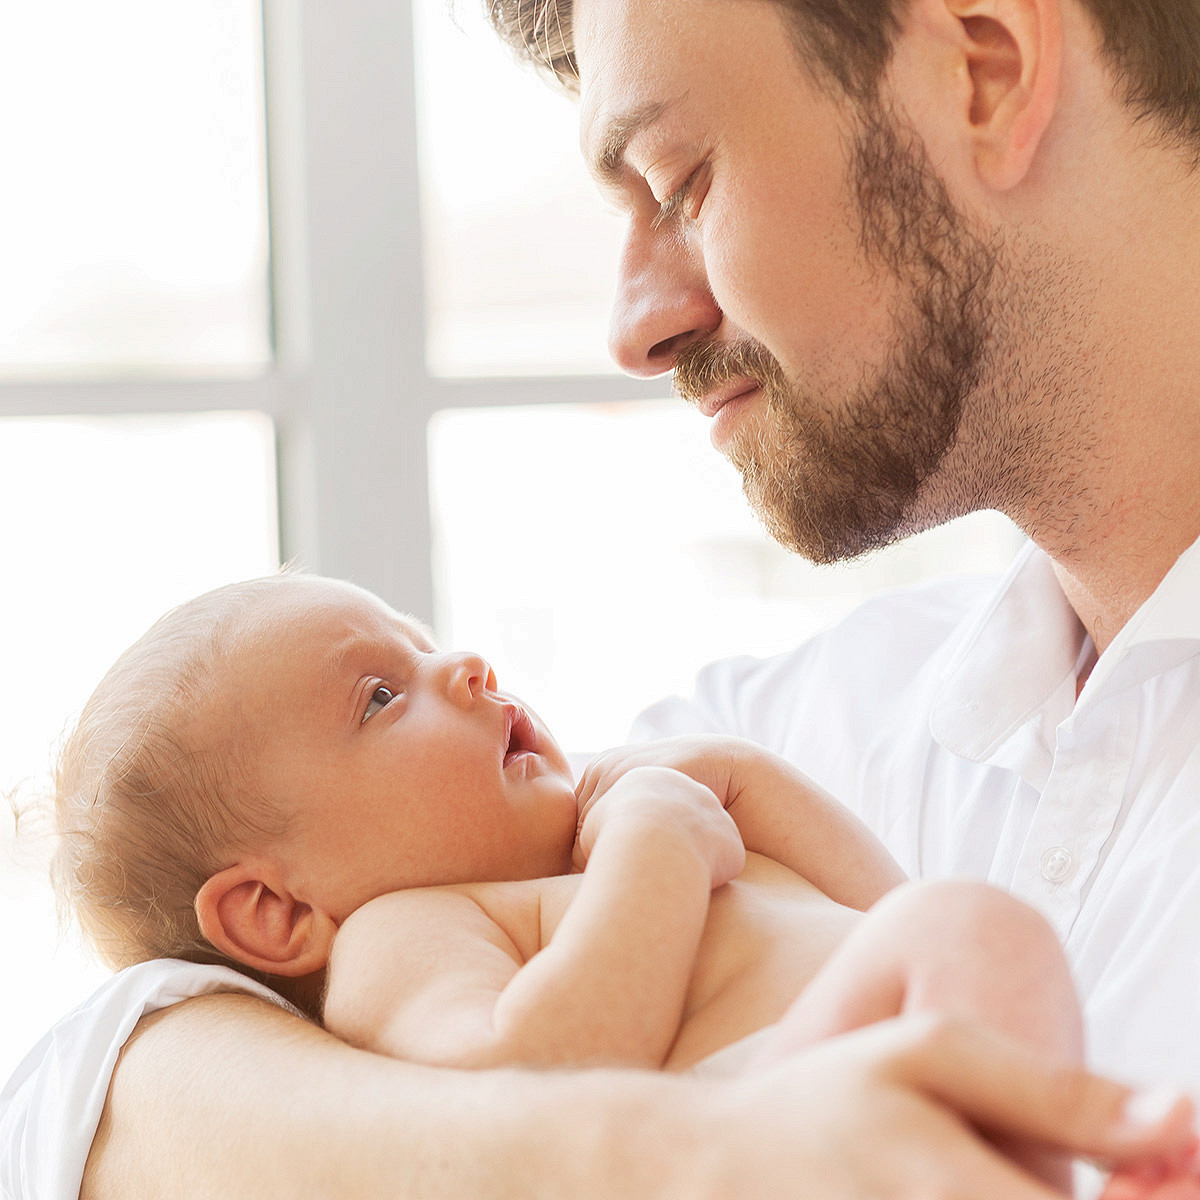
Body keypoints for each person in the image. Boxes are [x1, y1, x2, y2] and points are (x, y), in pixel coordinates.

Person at [6, 0, 1200, 1195]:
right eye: (377, 693)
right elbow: (93, 1088)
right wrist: (675, 1155)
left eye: (682, 182)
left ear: (984, 71)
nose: (634, 327)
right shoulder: (807, 723)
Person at [18, 572, 1199, 1197]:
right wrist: (661, 839)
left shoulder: (617, 809)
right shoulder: (410, 932)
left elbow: (877, 915)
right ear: (275, 911)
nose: (462, 667)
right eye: (381, 697)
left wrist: (733, 782)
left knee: (971, 929)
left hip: (875, 1102)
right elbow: (528, 1074)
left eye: (424, 642)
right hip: (751, 1149)